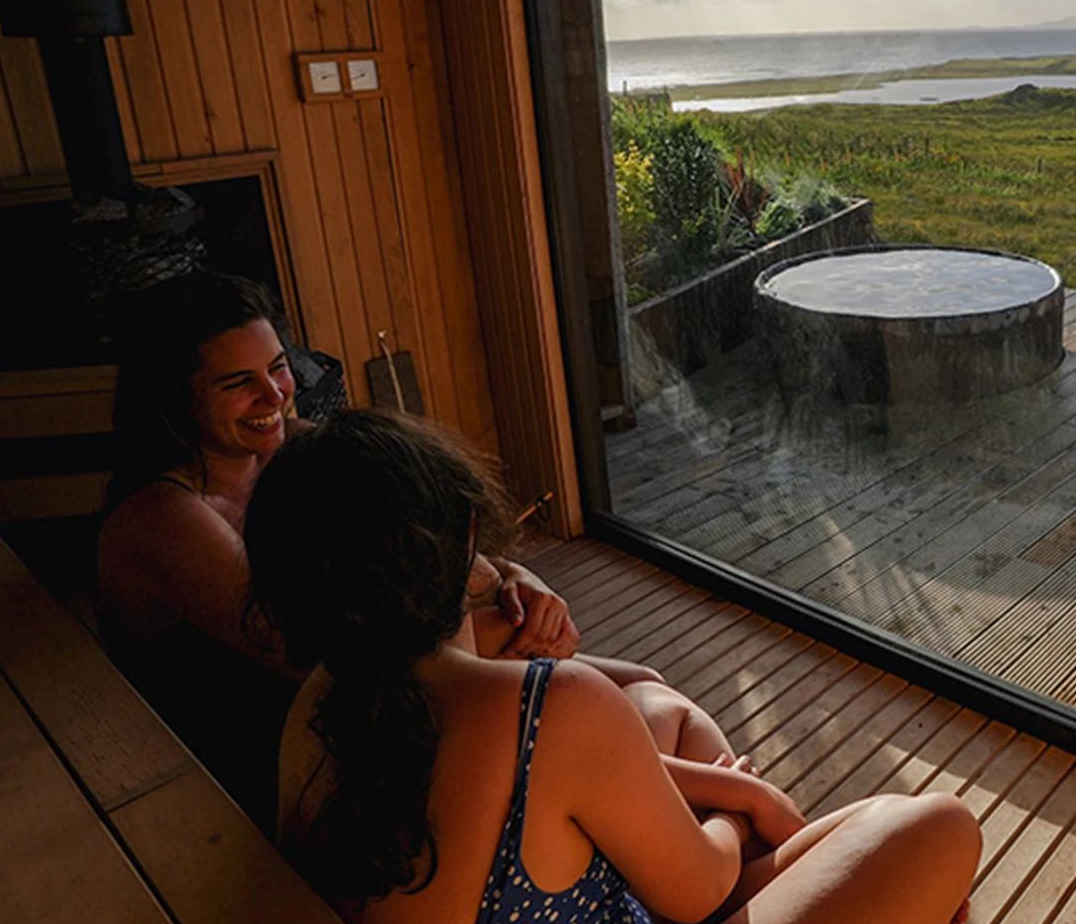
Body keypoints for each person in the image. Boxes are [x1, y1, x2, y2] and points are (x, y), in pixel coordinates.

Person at [247, 408, 980, 924]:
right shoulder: (544, 707)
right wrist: (736, 805)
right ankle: (873, 922)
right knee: (939, 829)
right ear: (467, 536)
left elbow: (620, 693)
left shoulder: (318, 703)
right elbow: (703, 888)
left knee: (666, 715)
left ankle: (864, 913)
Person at [95, 272, 715, 827]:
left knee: (644, 687)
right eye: (239, 384)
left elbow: (424, 542)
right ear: (175, 399)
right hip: (281, 755)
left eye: (278, 368)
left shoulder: (298, 451)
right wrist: (502, 630)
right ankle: (688, 857)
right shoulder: (163, 518)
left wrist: (520, 584)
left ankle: (681, 853)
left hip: (379, 699)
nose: (275, 395)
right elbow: (298, 650)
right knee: (618, 725)